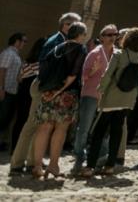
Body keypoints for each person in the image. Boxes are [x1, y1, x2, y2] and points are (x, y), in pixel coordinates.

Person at [9, 12, 81, 175]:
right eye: (75, 25)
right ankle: (17, 163)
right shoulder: (56, 41)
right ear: (66, 25)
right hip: (44, 87)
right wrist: (49, 88)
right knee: (32, 124)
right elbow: (44, 65)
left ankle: (32, 161)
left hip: (48, 87)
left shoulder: (62, 40)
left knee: (40, 125)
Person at [79, 27, 138, 177]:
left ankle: (89, 166)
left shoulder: (118, 54)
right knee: (117, 132)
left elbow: (108, 75)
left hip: (111, 98)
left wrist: (100, 90)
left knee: (99, 132)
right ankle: (110, 166)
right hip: (127, 99)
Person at [32, 21, 88, 179]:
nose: (85, 37)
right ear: (80, 35)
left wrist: (49, 91)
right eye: (84, 34)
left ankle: (37, 166)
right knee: (60, 129)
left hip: (47, 92)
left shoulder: (57, 47)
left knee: (44, 128)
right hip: (66, 94)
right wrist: (58, 92)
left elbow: (43, 69)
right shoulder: (80, 49)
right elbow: (72, 75)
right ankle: (53, 165)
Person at [73, 24, 118, 172]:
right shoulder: (94, 53)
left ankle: (102, 156)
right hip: (91, 95)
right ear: (102, 37)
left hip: (107, 98)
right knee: (85, 127)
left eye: (115, 34)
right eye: (109, 35)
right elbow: (83, 77)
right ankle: (79, 155)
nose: (113, 37)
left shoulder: (118, 54)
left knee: (103, 129)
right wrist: (93, 70)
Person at [0, 32, 26, 151]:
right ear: (17, 41)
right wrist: (1, 88)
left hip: (12, 90)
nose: (24, 44)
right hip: (6, 90)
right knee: (2, 117)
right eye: (23, 41)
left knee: (6, 118)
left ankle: (2, 141)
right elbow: (2, 71)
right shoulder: (9, 53)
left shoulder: (15, 55)